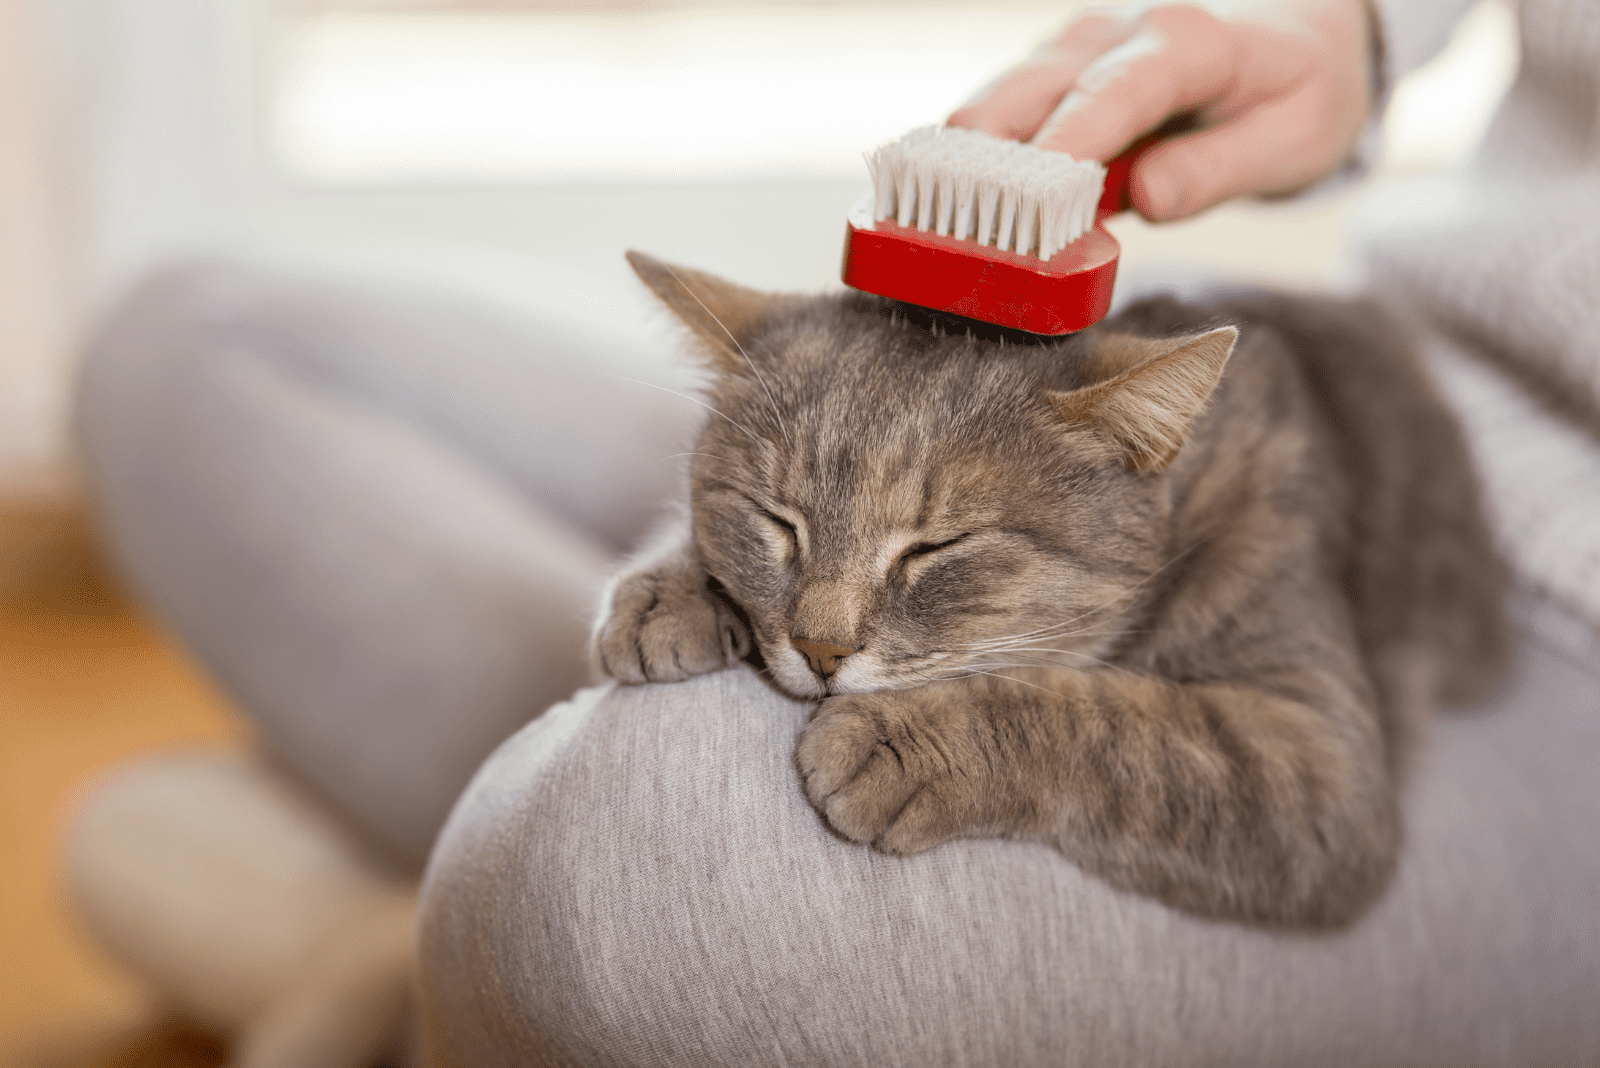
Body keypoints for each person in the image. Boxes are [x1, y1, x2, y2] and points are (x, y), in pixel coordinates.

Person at [73, 0, 1600, 1064]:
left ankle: (424, 924)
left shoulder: (1244, 511)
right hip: (1329, 349)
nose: (818, 640)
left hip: (1562, 644)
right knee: (186, 341)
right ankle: (445, 937)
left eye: (920, 574)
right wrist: (1345, 21)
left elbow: (1320, 822)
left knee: (627, 876)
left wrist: (1005, 741)